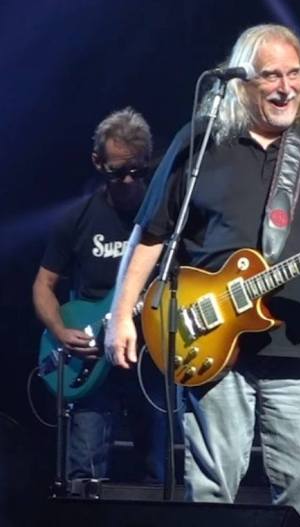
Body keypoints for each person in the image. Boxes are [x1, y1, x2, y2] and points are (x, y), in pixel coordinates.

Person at [104, 24, 300, 527]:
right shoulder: (201, 143)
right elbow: (152, 234)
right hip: (208, 339)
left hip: (299, 345)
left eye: (295, 75)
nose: (285, 88)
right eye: (271, 76)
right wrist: (122, 314)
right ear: (240, 82)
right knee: (211, 487)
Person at [32, 107, 166, 483]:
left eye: (136, 171)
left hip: (147, 361)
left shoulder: (161, 219)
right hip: (92, 363)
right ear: (97, 162)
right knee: (83, 474)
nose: (126, 180)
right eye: (116, 171)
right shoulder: (76, 219)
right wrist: (60, 331)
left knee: (160, 472)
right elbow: (43, 284)